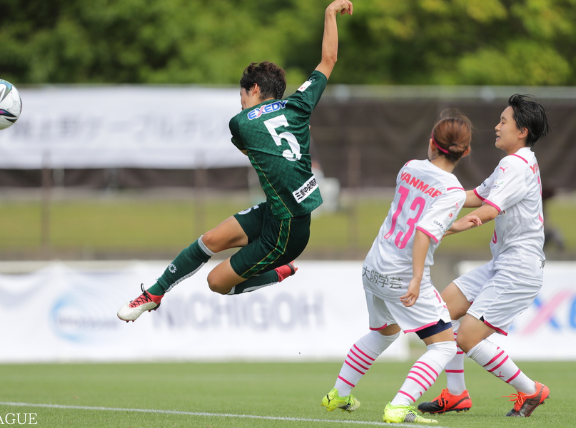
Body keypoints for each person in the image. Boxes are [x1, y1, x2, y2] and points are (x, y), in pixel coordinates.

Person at [117, 0, 353, 322]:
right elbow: (329, 59)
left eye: (241, 95)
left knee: (217, 282)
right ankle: (154, 293)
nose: (240, 103)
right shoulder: (298, 106)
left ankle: (278, 272)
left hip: (286, 230)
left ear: (254, 89)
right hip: (280, 212)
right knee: (211, 239)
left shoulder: (240, 123)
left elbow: (251, 149)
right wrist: (329, 14)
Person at [321, 110, 474, 424]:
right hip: (402, 274)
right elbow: (423, 231)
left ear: (432, 143)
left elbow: (420, 213)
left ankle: (338, 394)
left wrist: (455, 222)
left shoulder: (409, 168)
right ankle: (400, 406)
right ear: (466, 151)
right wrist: (417, 277)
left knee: (383, 333)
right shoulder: (453, 190)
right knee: (444, 346)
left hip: (374, 266)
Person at [418, 94, 551, 418]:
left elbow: (489, 210)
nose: (496, 126)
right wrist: (435, 193)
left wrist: (446, 227)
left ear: (521, 131)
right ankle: (456, 393)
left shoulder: (515, 164)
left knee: (466, 336)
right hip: (503, 263)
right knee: (439, 314)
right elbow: (478, 195)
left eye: (503, 121)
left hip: (518, 269)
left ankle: (531, 390)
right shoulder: (517, 161)